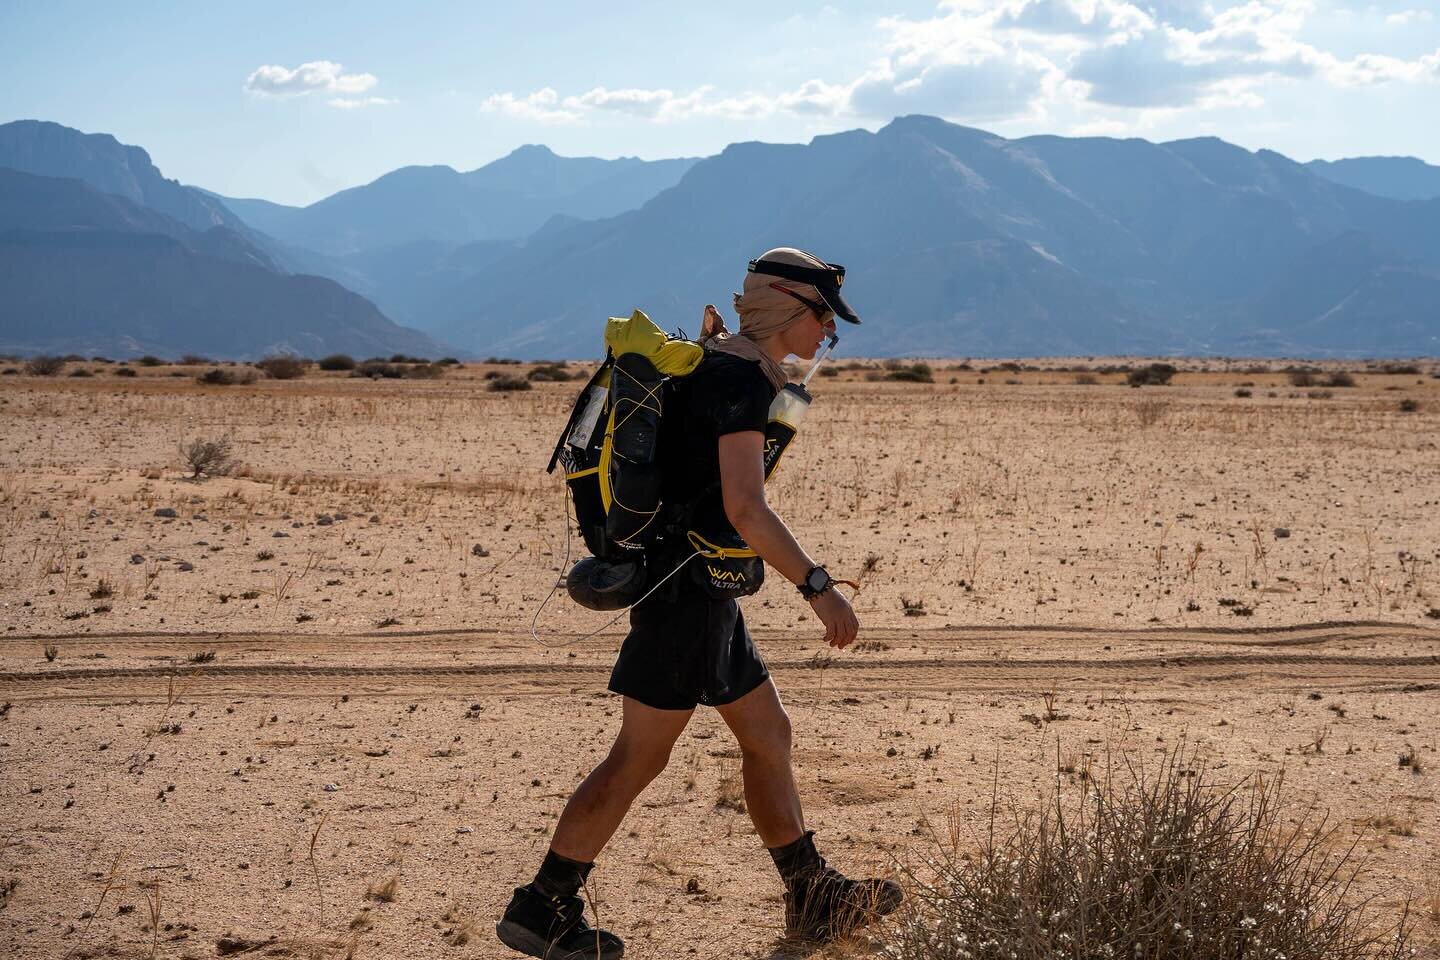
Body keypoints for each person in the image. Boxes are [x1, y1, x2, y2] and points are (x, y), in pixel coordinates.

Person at [496, 248, 901, 960]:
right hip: (684, 597)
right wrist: (818, 586)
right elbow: (746, 508)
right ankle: (543, 905)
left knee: (768, 736)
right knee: (636, 760)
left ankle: (812, 893)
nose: (828, 335)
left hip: (701, 593)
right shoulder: (738, 382)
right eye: (822, 318)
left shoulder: (722, 368)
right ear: (786, 308)